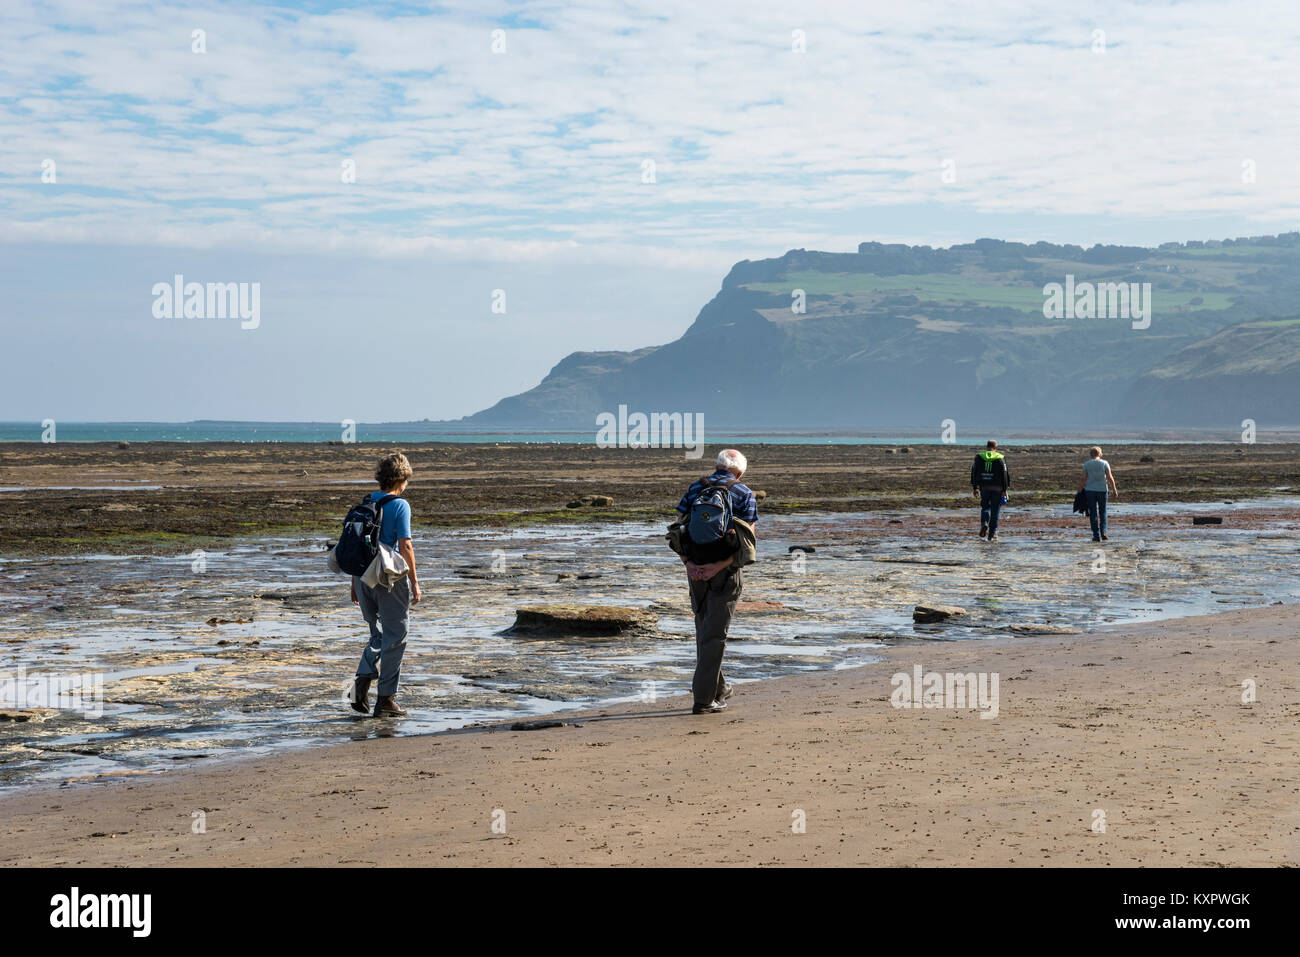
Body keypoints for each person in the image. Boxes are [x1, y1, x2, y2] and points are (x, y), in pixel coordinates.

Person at [676, 449, 758, 715]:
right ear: (740, 472)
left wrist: (690, 564)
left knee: (704, 631)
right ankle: (703, 700)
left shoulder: (696, 487)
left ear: (716, 466)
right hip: (725, 571)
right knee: (714, 636)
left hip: (695, 570)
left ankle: (719, 688)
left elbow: (679, 529)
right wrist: (718, 567)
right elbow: (747, 545)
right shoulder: (744, 493)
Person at [351, 452, 421, 717]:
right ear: (402, 479)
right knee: (396, 636)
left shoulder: (366, 501)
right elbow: (406, 545)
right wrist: (414, 582)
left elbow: (357, 543)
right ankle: (386, 700)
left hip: (362, 575)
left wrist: (353, 582)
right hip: (389, 577)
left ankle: (361, 682)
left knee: (377, 635)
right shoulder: (400, 505)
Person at [970, 439, 1010, 541]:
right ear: (996, 448)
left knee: (985, 507)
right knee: (995, 511)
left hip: (984, 488)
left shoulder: (979, 457)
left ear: (987, 447)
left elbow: (974, 472)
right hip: (998, 489)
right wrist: (1005, 490)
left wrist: (975, 488)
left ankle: (984, 523)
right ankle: (991, 536)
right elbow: (1005, 475)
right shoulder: (1000, 458)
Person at [1080, 446, 1119, 542]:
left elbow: (1083, 478)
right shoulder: (1104, 463)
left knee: (1092, 513)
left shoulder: (1086, 464)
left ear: (1091, 454)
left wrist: (1080, 490)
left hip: (1090, 491)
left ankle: (1096, 535)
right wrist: (1114, 490)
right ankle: (1103, 532)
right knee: (1103, 512)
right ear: (1100, 454)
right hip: (1102, 490)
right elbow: (1110, 477)